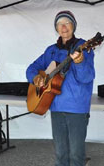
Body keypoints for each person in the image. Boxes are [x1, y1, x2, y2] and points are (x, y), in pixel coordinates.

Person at [26, 10, 95, 166]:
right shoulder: (51, 50)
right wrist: (35, 77)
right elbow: (32, 68)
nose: (64, 27)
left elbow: (86, 77)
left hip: (77, 107)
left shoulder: (84, 48)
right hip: (56, 106)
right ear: (56, 28)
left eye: (67, 23)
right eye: (60, 24)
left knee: (76, 154)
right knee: (60, 153)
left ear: (73, 26)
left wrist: (79, 62)